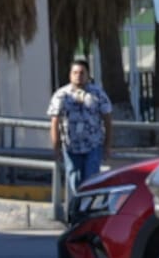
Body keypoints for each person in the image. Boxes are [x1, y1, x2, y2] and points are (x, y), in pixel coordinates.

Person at [48, 58, 113, 214]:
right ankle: (77, 213)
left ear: (88, 75)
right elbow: (54, 121)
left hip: (93, 146)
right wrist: (56, 147)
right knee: (75, 182)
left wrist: (107, 145)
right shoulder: (61, 95)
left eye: (82, 73)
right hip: (71, 147)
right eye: (75, 73)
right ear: (70, 75)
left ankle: (89, 213)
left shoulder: (98, 94)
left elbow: (108, 120)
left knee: (91, 181)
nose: (78, 76)